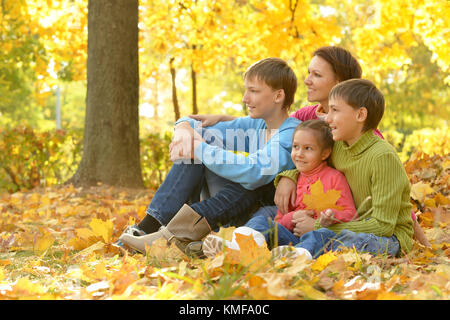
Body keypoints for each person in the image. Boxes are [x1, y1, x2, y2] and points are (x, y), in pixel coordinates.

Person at [192, 46, 429, 247]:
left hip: (345, 218)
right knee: (261, 198)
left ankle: (193, 228)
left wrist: (419, 243)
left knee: (256, 181)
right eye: (308, 73)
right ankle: (236, 241)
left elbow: (391, 197)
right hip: (307, 206)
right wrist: (289, 175)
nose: (306, 80)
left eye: (316, 74)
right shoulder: (308, 116)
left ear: (339, 83)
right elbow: (274, 121)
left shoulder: (368, 139)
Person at [115, 57, 301, 255]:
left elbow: (254, 171)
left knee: (245, 181)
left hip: (261, 219)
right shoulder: (257, 125)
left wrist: (198, 147)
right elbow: (196, 126)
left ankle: (167, 234)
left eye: (254, 91)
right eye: (246, 90)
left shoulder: (290, 134)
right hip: (229, 209)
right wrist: (184, 129)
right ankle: (150, 226)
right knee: (196, 144)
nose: (245, 98)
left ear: (278, 96)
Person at [201, 119, 358, 259]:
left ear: (325, 153)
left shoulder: (334, 177)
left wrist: (329, 218)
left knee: (320, 235)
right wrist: (293, 217)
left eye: (308, 148)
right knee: (261, 220)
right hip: (291, 238)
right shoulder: (293, 182)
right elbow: (279, 221)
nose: (299, 154)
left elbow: (351, 214)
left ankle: (297, 258)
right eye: (295, 147)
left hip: (318, 242)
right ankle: (239, 247)